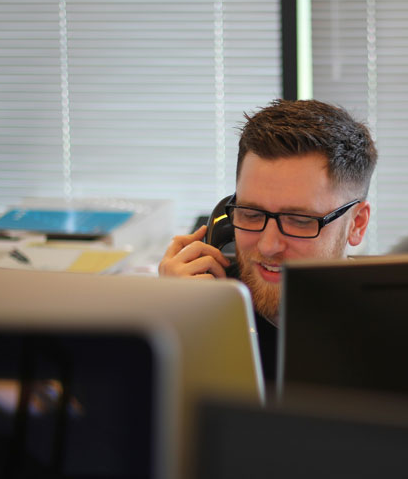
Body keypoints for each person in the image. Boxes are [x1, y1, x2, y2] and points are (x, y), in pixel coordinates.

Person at [158, 99, 378, 381]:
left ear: (357, 224)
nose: (268, 246)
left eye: (299, 220)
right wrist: (168, 322)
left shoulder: (396, 337)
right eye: (250, 214)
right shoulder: (201, 306)